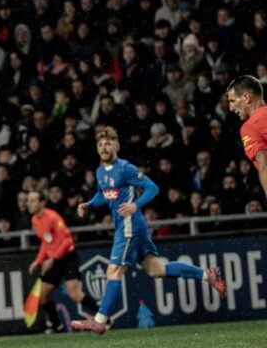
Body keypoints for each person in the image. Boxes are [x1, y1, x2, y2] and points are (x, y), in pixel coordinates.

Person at [72, 128, 225, 335]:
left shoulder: (125, 168)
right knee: (156, 270)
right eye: (100, 145)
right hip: (132, 228)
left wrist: (136, 204)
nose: (104, 148)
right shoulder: (100, 172)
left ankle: (100, 320)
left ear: (116, 146)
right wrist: (89, 204)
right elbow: (104, 194)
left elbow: (153, 188)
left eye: (108, 144)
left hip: (129, 227)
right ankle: (207, 275)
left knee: (113, 270)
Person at [26, 190, 98, 331]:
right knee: (43, 296)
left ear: (42, 203)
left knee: (75, 294)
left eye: (32, 200)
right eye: (29, 200)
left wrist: (52, 258)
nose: (29, 203)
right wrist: (38, 261)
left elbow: (67, 240)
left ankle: (105, 317)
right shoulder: (34, 220)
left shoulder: (52, 217)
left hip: (67, 257)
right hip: (54, 259)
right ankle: (56, 326)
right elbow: (46, 242)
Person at [226, 75, 267, 199]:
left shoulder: (250, 126)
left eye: (232, 101)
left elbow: (264, 165)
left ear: (246, 98)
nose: (230, 108)